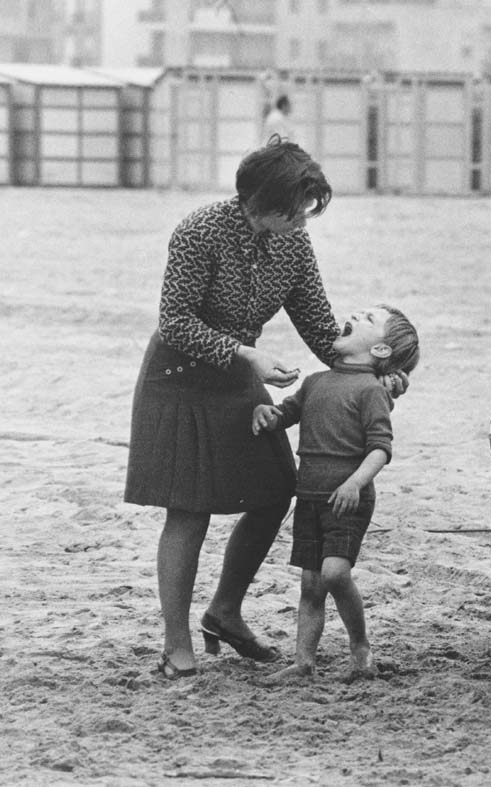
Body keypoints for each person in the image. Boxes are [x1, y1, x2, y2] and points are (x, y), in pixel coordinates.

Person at [125, 139, 405, 680]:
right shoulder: (199, 231)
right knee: (189, 509)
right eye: (298, 207)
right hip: (179, 378)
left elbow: (325, 332)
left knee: (278, 489)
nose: (304, 219)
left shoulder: (294, 247)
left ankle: (224, 613)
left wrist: (381, 376)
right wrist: (246, 352)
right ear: (265, 200)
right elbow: (176, 321)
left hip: (237, 380)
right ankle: (175, 645)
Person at [255, 304, 420, 684]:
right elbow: (286, 413)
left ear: (380, 351)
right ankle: (303, 663)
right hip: (310, 497)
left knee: (334, 572)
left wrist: (355, 484)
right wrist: (267, 414)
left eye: (368, 320)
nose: (356, 316)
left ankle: (360, 647)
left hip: (349, 499)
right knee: (311, 585)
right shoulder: (316, 381)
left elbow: (380, 448)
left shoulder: (370, 391)